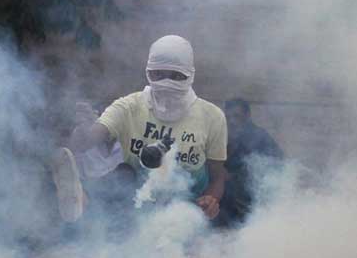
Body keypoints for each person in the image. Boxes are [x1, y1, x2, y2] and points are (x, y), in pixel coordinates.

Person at [53, 35, 227, 224]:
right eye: (158, 74)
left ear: (190, 75)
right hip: (136, 205)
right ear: (148, 72)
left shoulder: (212, 116)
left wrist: (211, 199)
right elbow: (89, 140)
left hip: (186, 212)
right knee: (124, 172)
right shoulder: (127, 107)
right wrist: (84, 128)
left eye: (176, 76)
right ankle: (85, 199)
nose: (166, 82)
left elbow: (218, 176)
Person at [217, 98, 283, 227]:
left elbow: (277, 165)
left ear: (247, 116)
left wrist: (235, 176)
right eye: (228, 117)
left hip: (250, 200)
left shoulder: (260, 137)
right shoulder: (224, 137)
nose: (232, 121)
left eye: (236, 116)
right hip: (227, 202)